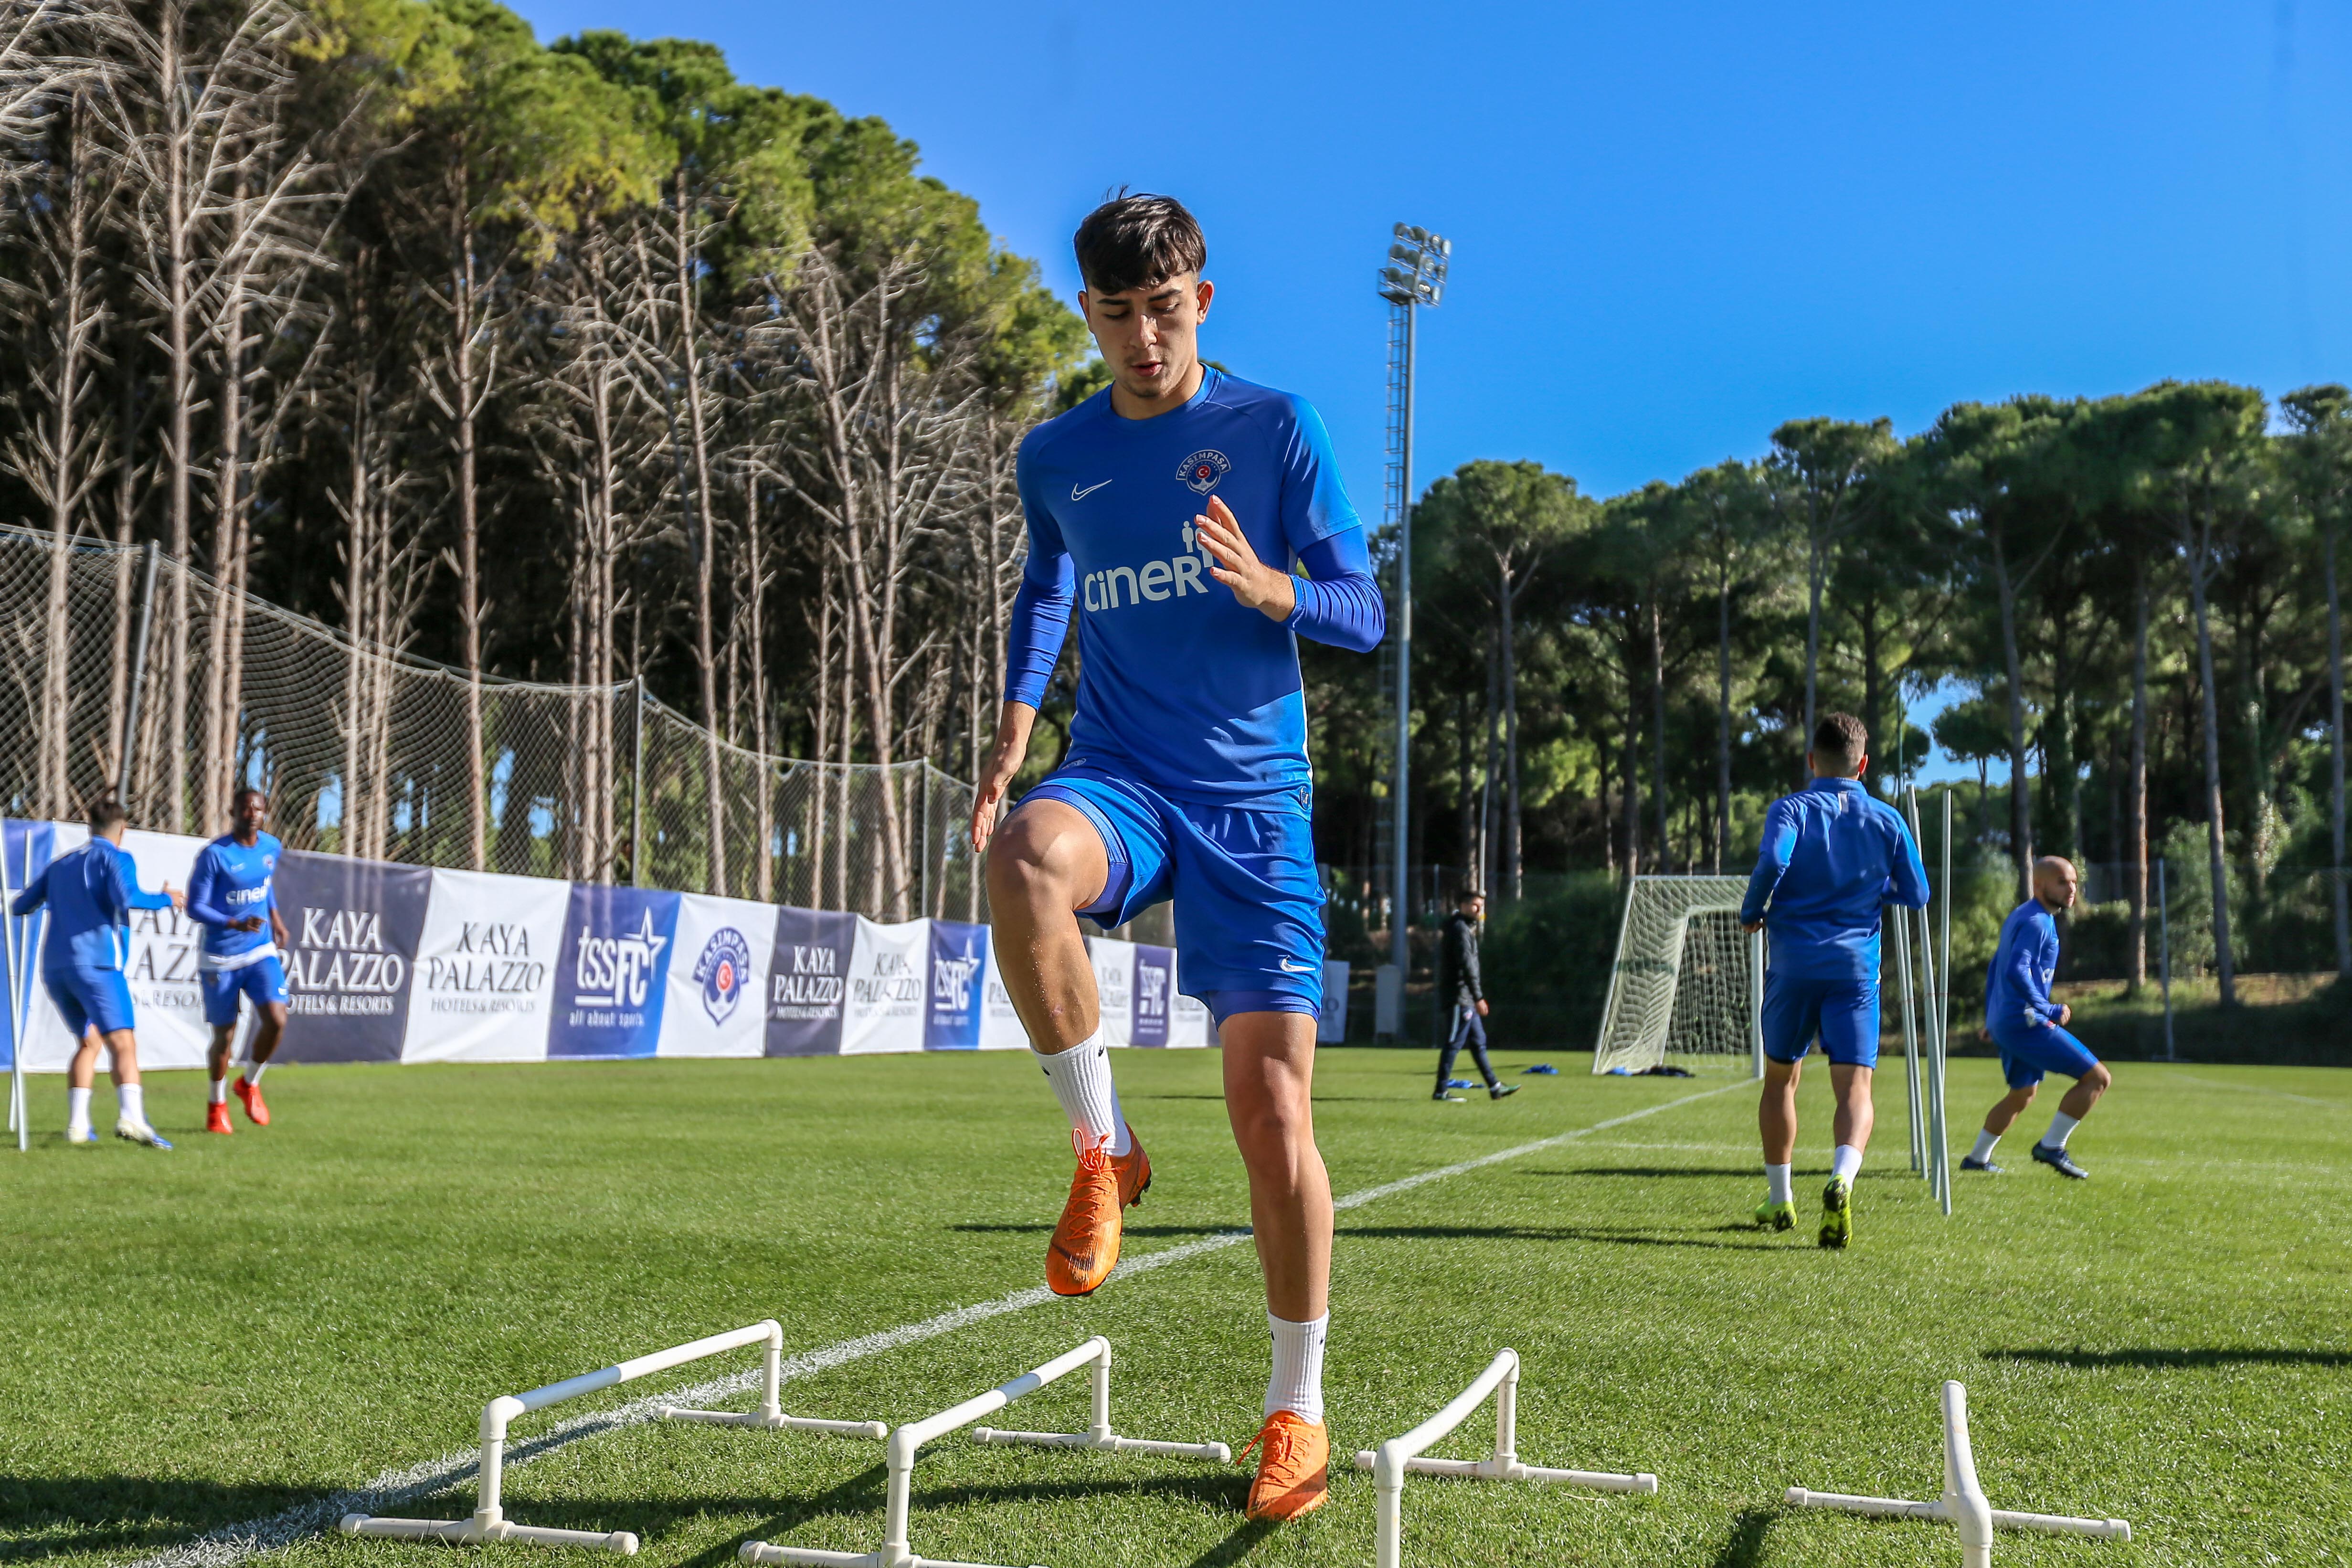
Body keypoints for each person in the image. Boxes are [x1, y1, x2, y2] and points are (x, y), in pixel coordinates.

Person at [969, 193, 1382, 1521]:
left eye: (1164, 310)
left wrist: (1276, 592)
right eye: (1117, 314)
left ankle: (1295, 1408)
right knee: (1026, 857)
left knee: (1272, 1117)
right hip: (1122, 776)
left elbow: (1363, 610)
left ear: (1200, 301)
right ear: (1085, 313)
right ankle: (1104, 1149)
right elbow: (1046, 586)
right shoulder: (1055, 454)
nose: (1143, 339)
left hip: (1254, 806)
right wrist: (1013, 729)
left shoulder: (1274, 426)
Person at [1739, 714, 1928, 1248]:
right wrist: (1872, 893)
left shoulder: (1791, 808)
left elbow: (1773, 860)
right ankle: (1842, 1178)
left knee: (1781, 1081)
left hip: (1793, 967)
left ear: (1811, 761)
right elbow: (1917, 894)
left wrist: (1753, 910)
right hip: (1854, 972)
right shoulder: (1888, 818)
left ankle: (1780, 1199)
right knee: (1855, 1088)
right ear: (1863, 764)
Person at [8, 800, 184, 1146]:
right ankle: (132, 1118)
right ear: (124, 830)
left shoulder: (61, 864)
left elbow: (20, 906)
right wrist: (166, 899)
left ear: (89, 826)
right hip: (98, 965)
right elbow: (128, 898)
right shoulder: (117, 858)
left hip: (56, 969)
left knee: (89, 1042)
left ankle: (77, 1127)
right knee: (124, 1043)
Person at [1963, 856, 2109, 1179]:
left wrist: (1991, 1017)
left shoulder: (2023, 915)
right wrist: (2047, 1008)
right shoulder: (2037, 922)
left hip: (2006, 1022)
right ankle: (2052, 1146)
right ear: (2039, 885)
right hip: (2025, 1023)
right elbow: (2016, 970)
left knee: (2022, 1093)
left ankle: (1977, 1159)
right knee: (2098, 1079)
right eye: (2062, 882)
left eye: (2074, 882)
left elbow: (1996, 967)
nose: (2072, 889)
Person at [186, 787, 291, 1134]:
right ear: (232, 812)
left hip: (259, 950)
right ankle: (216, 1105)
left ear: (265, 813)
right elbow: (195, 907)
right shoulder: (215, 855)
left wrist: (276, 919)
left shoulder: (271, 847)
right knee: (225, 1036)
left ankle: (249, 1083)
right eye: (245, 809)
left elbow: (265, 883)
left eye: (258, 809)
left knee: (277, 1019)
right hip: (220, 957)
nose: (252, 814)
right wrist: (234, 923)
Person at [1433, 887, 1515, 1102]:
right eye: (1475, 905)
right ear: (1463, 906)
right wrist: (1478, 997)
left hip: (1467, 997)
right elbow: (1467, 965)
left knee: (1479, 1042)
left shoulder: (1464, 928)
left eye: (1481, 906)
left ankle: (1495, 1086)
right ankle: (1441, 1091)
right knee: (1453, 1043)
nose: (1480, 910)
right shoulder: (1460, 929)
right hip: (1460, 997)